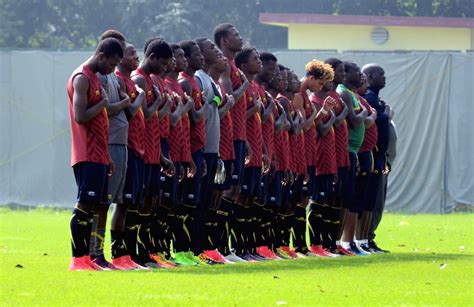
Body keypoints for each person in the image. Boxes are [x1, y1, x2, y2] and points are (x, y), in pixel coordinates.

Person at [67, 37, 123, 271]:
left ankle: (90, 259)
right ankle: (78, 259)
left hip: (99, 154)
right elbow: (81, 116)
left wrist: (107, 156)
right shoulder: (81, 78)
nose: (112, 70)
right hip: (86, 153)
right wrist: (102, 104)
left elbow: (100, 120)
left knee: (95, 207)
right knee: (84, 205)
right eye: (112, 64)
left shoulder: (95, 79)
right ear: (101, 56)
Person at [89, 30, 131, 269]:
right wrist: (125, 102)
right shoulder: (101, 77)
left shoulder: (113, 77)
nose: (122, 59)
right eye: (119, 54)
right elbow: (107, 108)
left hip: (121, 143)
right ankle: (95, 252)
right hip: (111, 142)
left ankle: (101, 252)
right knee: (102, 203)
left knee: (113, 201)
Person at [131, 38, 174, 268]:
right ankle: (130, 251)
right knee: (138, 203)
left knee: (151, 202)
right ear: (153, 57)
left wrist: (162, 156)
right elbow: (144, 116)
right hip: (142, 150)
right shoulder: (139, 79)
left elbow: (154, 119)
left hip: (154, 151)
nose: (166, 66)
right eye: (164, 61)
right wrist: (159, 103)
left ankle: (144, 251)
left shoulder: (153, 80)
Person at [214, 23, 250, 261]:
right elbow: (228, 101)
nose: (241, 37)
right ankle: (220, 247)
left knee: (234, 191)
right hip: (228, 136)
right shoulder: (225, 66)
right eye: (236, 35)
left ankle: (227, 248)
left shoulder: (235, 66)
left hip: (239, 135)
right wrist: (244, 86)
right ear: (225, 41)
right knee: (225, 190)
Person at [113, 42, 147, 270]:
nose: (136, 57)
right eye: (131, 54)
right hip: (128, 147)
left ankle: (129, 254)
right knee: (122, 203)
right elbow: (130, 111)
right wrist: (140, 96)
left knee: (132, 204)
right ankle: (118, 254)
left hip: (139, 148)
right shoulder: (118, 81)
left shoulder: (129, 82)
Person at [337, 62, 369, 255]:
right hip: (346, 150)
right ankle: (343, 242)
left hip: (353, 152)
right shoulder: (344, 93)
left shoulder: (352, 94)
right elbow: (356, 120)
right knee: (344, 199)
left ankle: (349, 242)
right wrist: (366, 112)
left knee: (352, 199)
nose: (360, 75)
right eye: (357, 72)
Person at [361, 63, 394, 253]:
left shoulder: (376, 99)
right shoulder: (370, 99)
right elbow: (378, 124)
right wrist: (386, 115)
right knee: (372, 200)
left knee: (377, 199)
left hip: (381, 158)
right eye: (380, 74)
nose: (384, 77)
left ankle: (367, 238)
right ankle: (364, 238)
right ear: (369, 76)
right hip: (374, 157)